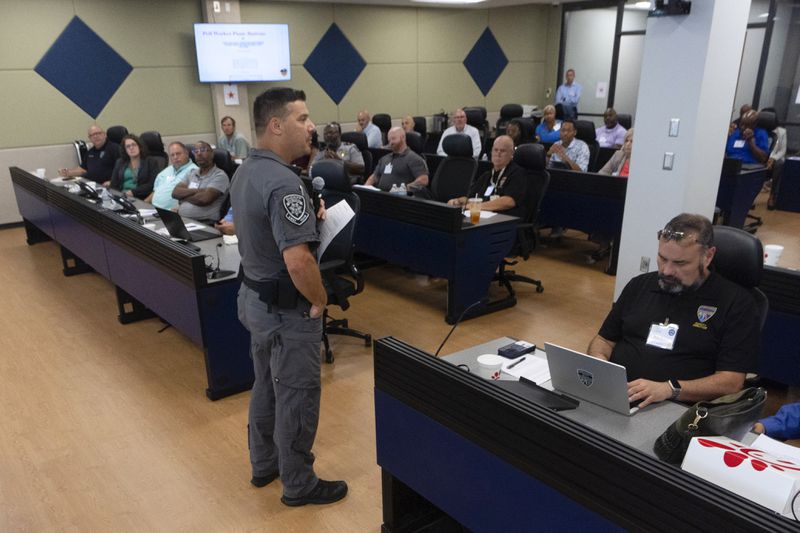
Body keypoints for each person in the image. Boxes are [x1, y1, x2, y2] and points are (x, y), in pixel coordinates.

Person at [231, 86, 347, 507]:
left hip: (255, 300)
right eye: (302, 118)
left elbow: (263, 232)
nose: (311, 125)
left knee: (265, 385)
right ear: (276, 125)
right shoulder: (284, 182)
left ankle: (264, 465)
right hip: (286, 310)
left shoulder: (245, 170)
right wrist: (319, 301)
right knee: (296, 393)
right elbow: (298, 262)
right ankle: (298, 483)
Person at [587, 213, 759, 409]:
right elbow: (604, 340)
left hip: (677, 407)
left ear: (708, 256)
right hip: (617, 394)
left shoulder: (736, 303)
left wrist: (670, 389)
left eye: (680, 263)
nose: (667, 271)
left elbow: (731, 382)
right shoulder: (640, 285)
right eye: (662, 258)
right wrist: (600, 364)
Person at [447, 135, 527, 218]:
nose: (498, 154)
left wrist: (476, 206)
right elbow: (471, 197)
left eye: (503, 151)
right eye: (495, 150)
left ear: (511, 154)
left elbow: (509, 201)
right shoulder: (487, 175)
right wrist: (458, 201)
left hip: (504, 220)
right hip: (483, 217)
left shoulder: (517, 173)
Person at [172, 141, 229, 224]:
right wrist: (198, 191)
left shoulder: (220, 175)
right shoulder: (191, 173)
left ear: (212, 154)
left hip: (205, 223)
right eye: (195, 151)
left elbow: (203, 199)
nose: (199, 154)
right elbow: (175, 192)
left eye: (203, 150)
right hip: (183, 220)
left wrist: (183, 197)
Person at [366, 126, 429, 192]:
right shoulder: (384, 159)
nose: (391, 143)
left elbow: (423, 180)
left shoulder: (414, 158)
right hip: (380, 196)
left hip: (400, 198)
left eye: (393, 139)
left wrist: (404, 189)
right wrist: (364, 188)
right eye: (389, 140)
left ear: (403, 137)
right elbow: (374, 177)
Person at [106, 134, 162, 199]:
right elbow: (114, 184)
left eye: (134, 145)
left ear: (139, 146)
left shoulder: (150, 161)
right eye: (128, 146)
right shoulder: (120, 162)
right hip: (122, 197)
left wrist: (133, 192)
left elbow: (152, 184)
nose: (131, 148)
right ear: (125, 150)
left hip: (141, 197)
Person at [145, 142, 198, 210]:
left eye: (178, 154)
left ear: (186, 154)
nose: (175, 157)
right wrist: (142, 205)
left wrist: (179, 210)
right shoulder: (165, 171)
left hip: (173, 213)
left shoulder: (194, 171)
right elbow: (155, 192)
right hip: (153, 211)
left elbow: (194, 198)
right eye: (172, 155)